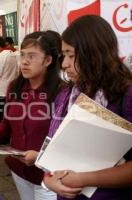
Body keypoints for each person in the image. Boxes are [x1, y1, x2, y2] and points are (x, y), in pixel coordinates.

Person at [43, 15, 132, 200]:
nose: (65, 64)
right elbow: (52, 148)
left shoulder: (126, 95)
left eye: (71, 55)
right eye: (63, 55)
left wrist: (84, 179)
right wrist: (48, 180)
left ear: (94, 52)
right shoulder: (66, 94)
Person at [0, 31, 63, 200]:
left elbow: (65, 140)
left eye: (32, 56)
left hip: (48, 176)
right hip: (18, 170)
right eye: (23, 55)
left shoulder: (61, 92)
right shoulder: (15, 86)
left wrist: (40, 156)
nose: (24, 62)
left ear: (48, 60)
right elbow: (7, 121)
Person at [0, 36, 18, 127]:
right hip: (11, 90)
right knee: (7, 116)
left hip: (0, 92)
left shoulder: (0, 56)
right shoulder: (13, 54)